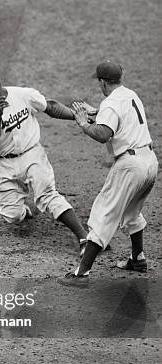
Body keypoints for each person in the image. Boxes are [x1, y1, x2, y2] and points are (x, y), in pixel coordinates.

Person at [58, 61, 158, 287]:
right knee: (131, 211)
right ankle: (137, 259)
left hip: (130, 166)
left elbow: (103, 134)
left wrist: (84, 123)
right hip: (149, 162)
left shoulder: (111, 103)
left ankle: (81, 274)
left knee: (104, 213)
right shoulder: (130, 95)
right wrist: (97, 111)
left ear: (102, 82)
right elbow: (119, 120)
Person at [0, 67, 88, 252]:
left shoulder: (22, 95)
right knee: (12, 216)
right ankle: (24, 210)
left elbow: (50, 106)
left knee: (48, 196)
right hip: (4, 164)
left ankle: (84, 238)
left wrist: (78, 117)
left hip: (32, 155)